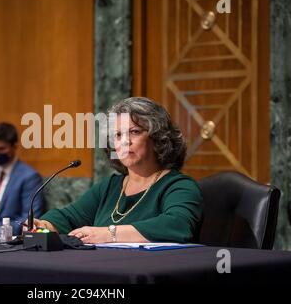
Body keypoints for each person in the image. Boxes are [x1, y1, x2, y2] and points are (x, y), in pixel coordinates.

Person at [29, 97, 203, 244]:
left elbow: (178, 225)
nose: (124, 141)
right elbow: (68, 217)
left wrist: (107, 234)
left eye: (134, 132)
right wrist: (43, 225)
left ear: (158, 138)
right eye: (118, 135)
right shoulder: (110, 187)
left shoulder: (179, 186)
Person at [0, 122, 44, 236]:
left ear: (14, 146)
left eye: (1, 149)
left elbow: (28, 219)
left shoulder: (29, 177)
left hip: (3, 239)